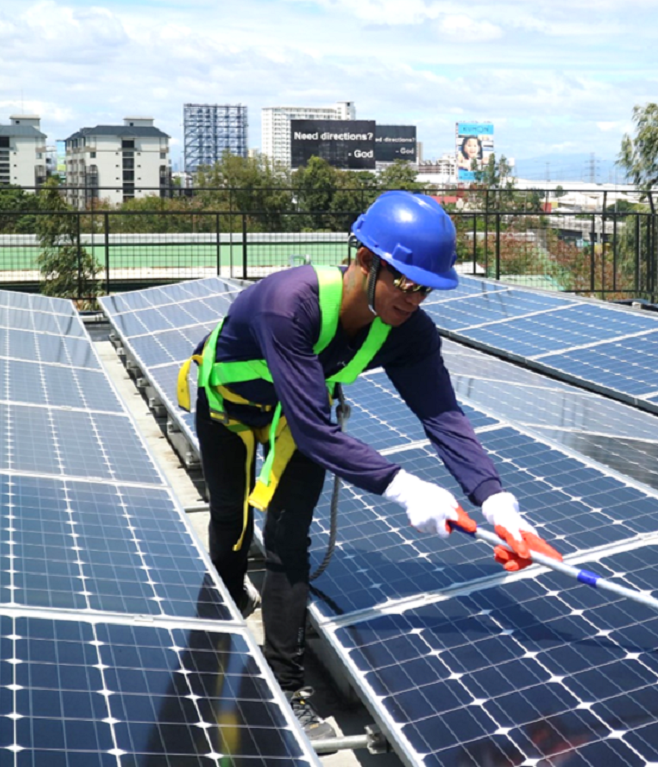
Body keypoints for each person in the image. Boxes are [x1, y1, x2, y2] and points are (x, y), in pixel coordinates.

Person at [177, 191, 559, 741]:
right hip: (230, 409)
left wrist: (496, 501)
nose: (414, 298)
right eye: (405, 282)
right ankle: (229, 601)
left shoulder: (408, 331)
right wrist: (406, 489)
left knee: (289, 541)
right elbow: (315, 427)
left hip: (293, 419)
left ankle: (285, 686)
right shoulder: (289, 303)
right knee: (232, 524)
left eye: (426, 288)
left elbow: (442, 414)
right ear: (364, 259)